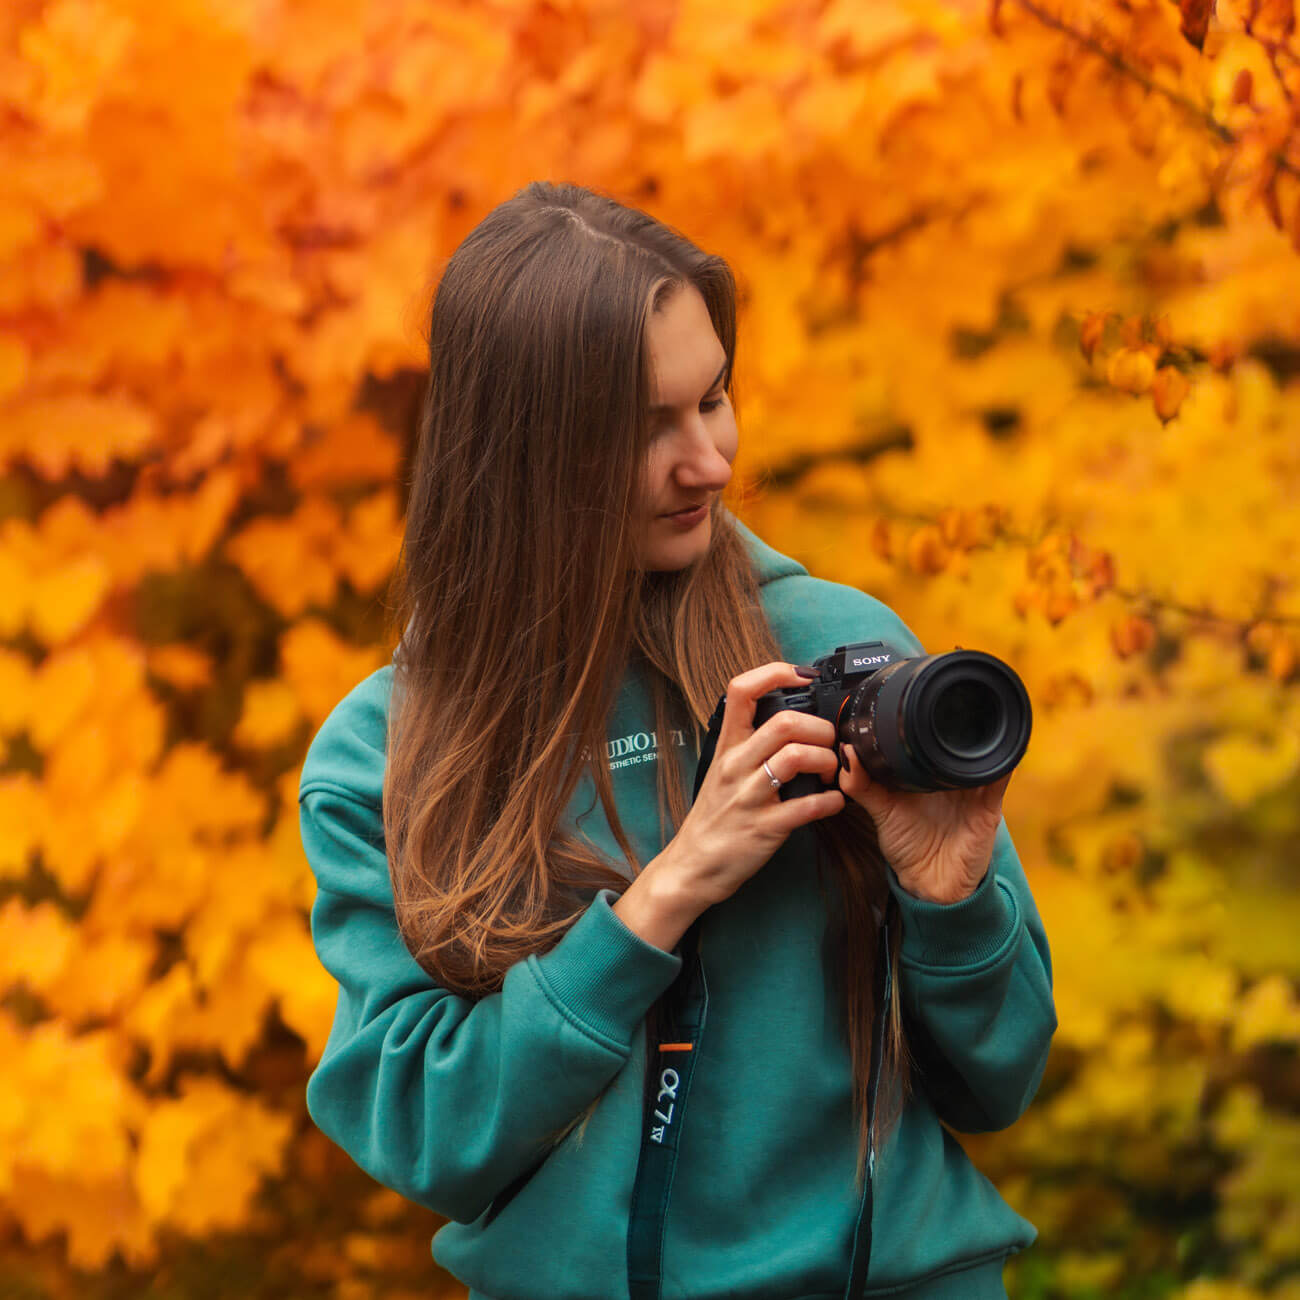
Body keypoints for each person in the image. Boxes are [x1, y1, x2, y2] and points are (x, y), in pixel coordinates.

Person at [299, 180, 1057, 1300]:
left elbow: (999, 1079)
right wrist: (661, 902)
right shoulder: (391, 752)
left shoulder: (839, 650)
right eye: (650, 427)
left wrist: (951, 905)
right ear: (524, 452)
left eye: (713, 400)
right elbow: (425, 1137)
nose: (706, 461)